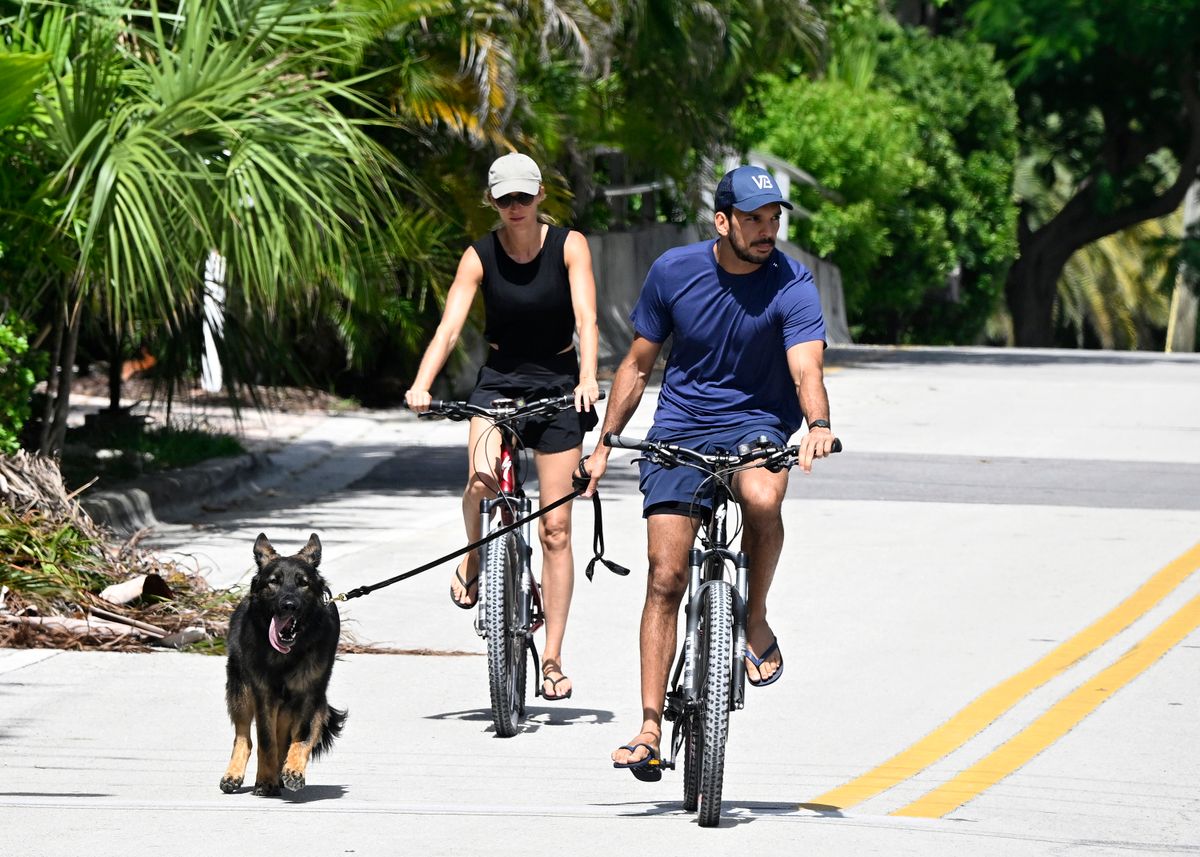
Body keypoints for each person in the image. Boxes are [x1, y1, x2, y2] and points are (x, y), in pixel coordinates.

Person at [580, 164, 839, 774]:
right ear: (722, 222)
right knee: (665, 576)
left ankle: (753, 618)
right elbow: (638, 366)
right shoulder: (674, 272)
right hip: (680, 429)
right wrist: (604, 443)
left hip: (758, 425)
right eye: (753, 218)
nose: (766, 229)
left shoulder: (793, 284)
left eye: (774, 218)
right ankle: (647, 725)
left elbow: (807, 370)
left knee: (762, 497)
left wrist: (819, 425)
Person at [406, 152, 601, 701]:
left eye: (524, 197)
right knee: (480, 480)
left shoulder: (570, 246)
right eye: (504, 199)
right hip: (499, 383)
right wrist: (423, 385)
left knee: (555, 530)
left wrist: (588, 377)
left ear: (540, 195)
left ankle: (555, 659)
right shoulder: (479, 256)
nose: (515, 207)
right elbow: (449, 329)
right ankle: (474, 557)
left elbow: (587, 318)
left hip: (561, 385)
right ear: (491, 202)